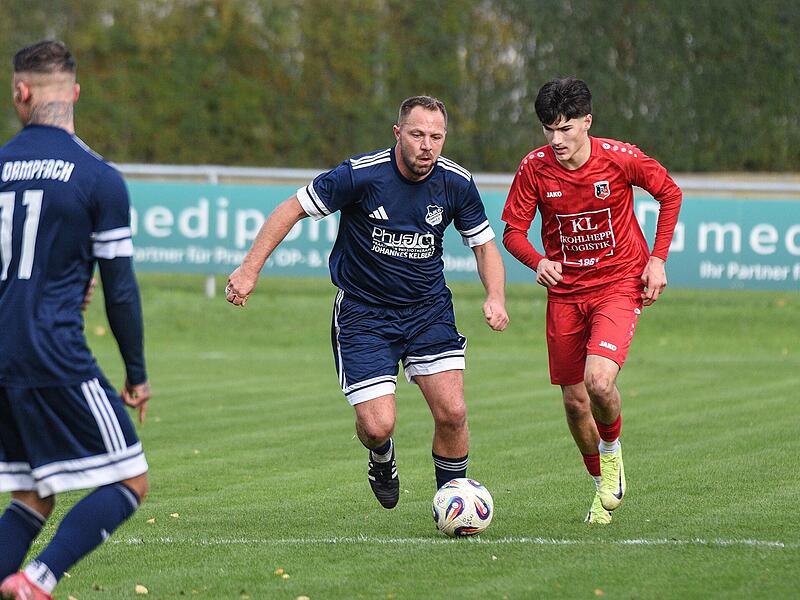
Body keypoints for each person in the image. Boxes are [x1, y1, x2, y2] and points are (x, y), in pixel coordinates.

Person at [226, 95, 508, 509]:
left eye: (436, 137)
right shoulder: (360, 174)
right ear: (398, 133)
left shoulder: (456, 182)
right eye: (417, 134)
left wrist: (495, 297)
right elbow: (291, 209)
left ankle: (453, 502)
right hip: (364, 314)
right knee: (378, 426)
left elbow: (484, 246)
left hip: (428, 311)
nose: (426, 146)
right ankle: (381, 456)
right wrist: (250, 269)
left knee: (452, 412)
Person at [0, 41, 150, 599]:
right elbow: (120, 291)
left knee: (32, 493)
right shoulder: (97, 177)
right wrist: (136, 373)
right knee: (130, 479)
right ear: (76, 94)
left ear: (21, 93)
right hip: (53, 351)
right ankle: (38, 580)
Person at [501, 77, 682, 524]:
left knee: (598, 382)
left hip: (619, 284)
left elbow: (669, 193)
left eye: (565, 129)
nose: (556, 139)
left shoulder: (619, 158)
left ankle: (612, 452)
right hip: (565, 294)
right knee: (574, 402)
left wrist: (657, 260)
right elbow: (512, 232)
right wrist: (537, 261)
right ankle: (602, 482)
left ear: (587, 122)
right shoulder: (534, 168)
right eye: (549, 129)